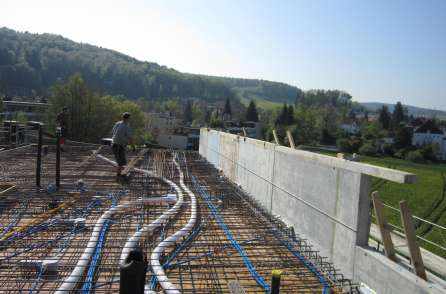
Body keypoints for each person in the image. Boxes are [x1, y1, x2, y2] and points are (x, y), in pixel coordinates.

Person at [112, 112, 134, 180]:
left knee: (120, 162)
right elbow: (130, 138)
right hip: (119, 146)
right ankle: (120, 176)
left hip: (114, 145)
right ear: (128, 119)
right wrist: (133, 146)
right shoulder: (126, 126)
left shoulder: (118, 123)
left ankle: (120, 175)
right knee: (121, 162)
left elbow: (113, 131)